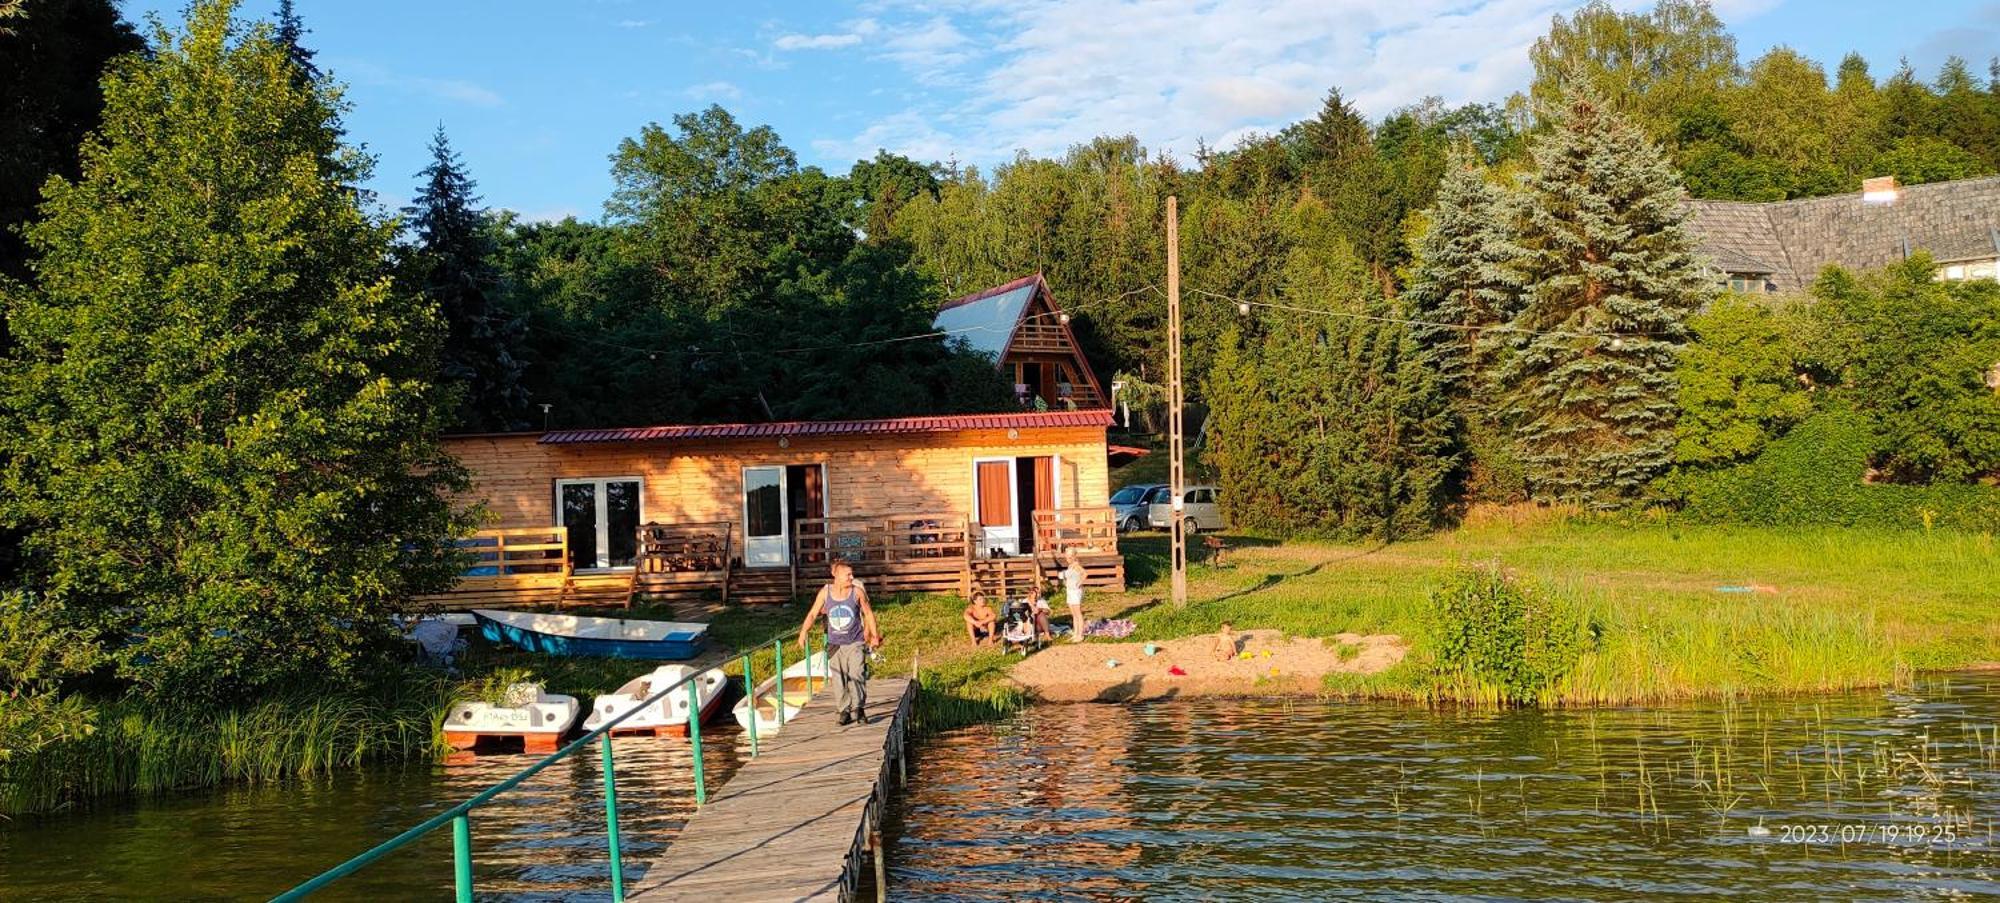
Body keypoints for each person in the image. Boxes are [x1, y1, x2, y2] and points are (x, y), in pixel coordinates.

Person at [797, 560, 881, 725]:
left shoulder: (857, 592)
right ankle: (844, 711)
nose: (852, 577)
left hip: (855, 641)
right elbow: (813, 613)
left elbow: (868, 614)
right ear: (836, 575)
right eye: (848, 575)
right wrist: (803, 632)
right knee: (838, 678)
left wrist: (874, 635)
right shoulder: (825, 592)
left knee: (857, 673)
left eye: (852, 574)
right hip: (835, 644)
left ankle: (859, 709)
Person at [1061, 548, 1088, 643]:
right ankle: (1075, 633)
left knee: (1078, 613)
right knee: (1073, 614)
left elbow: (1085, 574)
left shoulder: (1076, 565)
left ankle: (1080, 635)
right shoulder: (1070, 566)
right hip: (1069, 590)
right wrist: (1064, 580)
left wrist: (1079, 583)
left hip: (1075, 591)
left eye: (1070, 557)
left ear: (1073, 557)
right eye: (1067, 557)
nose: (1068, 558)